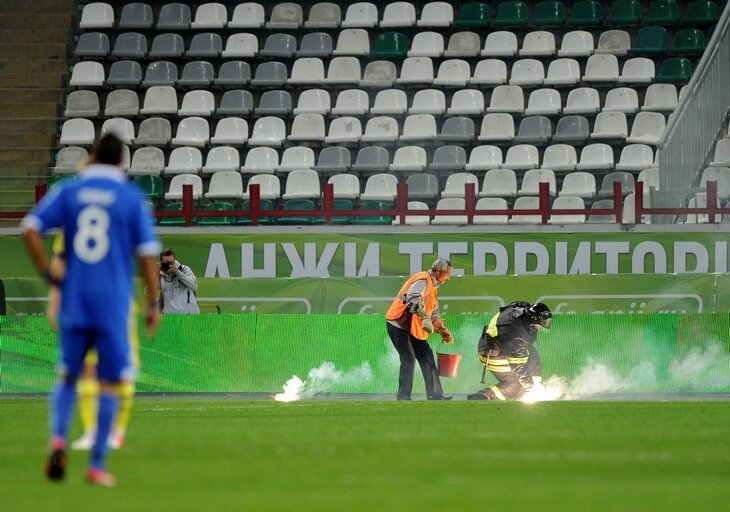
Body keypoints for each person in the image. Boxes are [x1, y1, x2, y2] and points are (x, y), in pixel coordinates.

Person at [22, 134, 161, 487]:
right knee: (111, 383)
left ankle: (58, 439)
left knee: (68, 376)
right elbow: (147, 256)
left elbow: (30, 228)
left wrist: (49, 277)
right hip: (113, 304)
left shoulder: (69, 190)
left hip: (75, 298)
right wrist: (153, 302)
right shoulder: (131, 197)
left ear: (94, 156)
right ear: (121, 162)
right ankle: (96, 465)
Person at [46, 235, 139, 452]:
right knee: (87, 368)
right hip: (84, 303)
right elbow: (59, 261)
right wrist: (56, 297)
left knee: (119, 371)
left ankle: (117, 432)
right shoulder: (72, 224)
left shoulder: (120, 219)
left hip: (115, 302)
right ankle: (92, 432)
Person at [385, 257, 455, 401]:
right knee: (408, 359)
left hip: (413, 328)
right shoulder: (423, 279)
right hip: (398, 324)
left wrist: (444, 332)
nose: (448, 278)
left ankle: (435, 395)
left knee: (427, 356)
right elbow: (413, 298)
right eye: (447, 274)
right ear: (438, 271)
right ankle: (403, 397)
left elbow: (434, 315)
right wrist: (424, 317)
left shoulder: (433, 287)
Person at [467, 301, 552, 401]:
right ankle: (486, 396)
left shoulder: (521, 310)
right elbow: (518, 365)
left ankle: (533, 388)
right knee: (516, 384)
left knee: (533, 356)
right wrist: (531, 388)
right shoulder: (516, 334)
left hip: (495, 346)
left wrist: (536, 386)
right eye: (540, 324)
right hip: (493, 356)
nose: (540, 327)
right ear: (533, 319)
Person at [158, 248, 199, 314]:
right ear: (161, 262)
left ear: (174, 260)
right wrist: (156, 274)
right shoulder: (160, 274)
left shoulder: (184, 269)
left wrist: (177, 272)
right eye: (166, 263)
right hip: (169, 316)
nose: (169, 265)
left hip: (189, 316)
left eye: (171, 263)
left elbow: (194, 286)